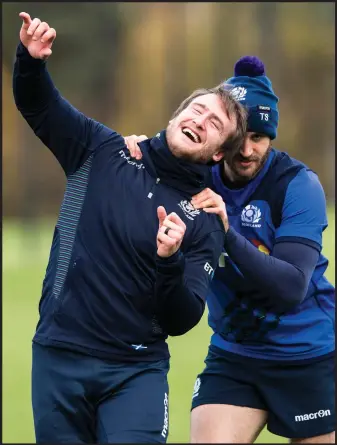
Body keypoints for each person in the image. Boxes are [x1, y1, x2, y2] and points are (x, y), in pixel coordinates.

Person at [13, 12, 247, 444]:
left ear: (218, 154)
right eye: (196, 111)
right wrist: (31, 61)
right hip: (57, 355)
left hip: (134, 370)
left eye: (215, 124)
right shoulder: (101, 151)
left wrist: (169, 260)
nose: (200, 121)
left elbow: (184, 318)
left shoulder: (204, 218)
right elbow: (40, 105)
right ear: (177, 115)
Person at [125, 57, 335, 444]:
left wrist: (228, 235)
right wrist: (135, 148)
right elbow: (157, 152)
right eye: (239, 138)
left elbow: (291, 288)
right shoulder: (196, 173)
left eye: (259, 138)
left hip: (308, 353)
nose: (247, 150)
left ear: (272, 137)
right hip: (235, 353)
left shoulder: (298, 186)